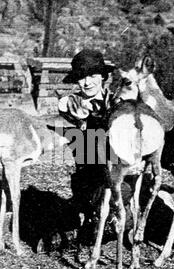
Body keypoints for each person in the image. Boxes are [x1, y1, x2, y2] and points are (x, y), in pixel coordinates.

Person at [57, 49, 119, 250]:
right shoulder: (70, 104)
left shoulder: (117, 102)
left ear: (103, 77)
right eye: (81, 77)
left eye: (92, 76)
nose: (87, 82)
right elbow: (80, 143)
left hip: (118, 174)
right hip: (88, 174)